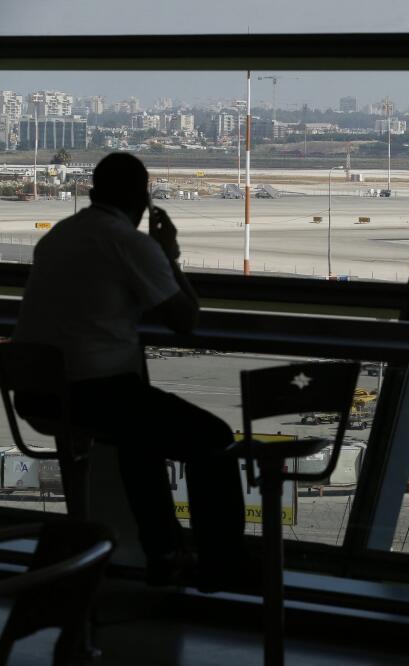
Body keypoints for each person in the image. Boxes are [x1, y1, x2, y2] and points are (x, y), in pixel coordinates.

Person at [13, 153, 247, 591]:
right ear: (143, 199)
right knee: (213, 438)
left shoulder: (59, 237)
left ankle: (164, 554)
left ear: (93, 193)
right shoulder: (130, 243)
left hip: (34, 394)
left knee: (141, 439)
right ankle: (221, 565)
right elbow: (185, 318)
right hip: (93, 393)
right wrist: (169, 254)